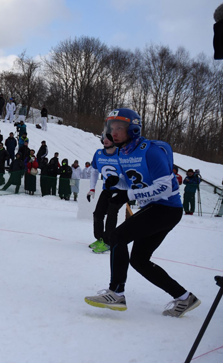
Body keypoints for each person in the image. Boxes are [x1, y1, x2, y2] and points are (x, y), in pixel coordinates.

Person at [85, 108, 200, 317]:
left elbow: (165, 187)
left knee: (117, 236)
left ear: (134, 129)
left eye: (120, 128)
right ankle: (184, 297)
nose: (114, 133)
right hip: (156, 209)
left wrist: (128, 195)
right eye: (112, 128)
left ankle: (116, 292)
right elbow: (133, 180)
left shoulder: (151, 150)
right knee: (139, 260)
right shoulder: (123, 152)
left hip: (166, 209)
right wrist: (116, 182)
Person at [86, 135, 126, 254]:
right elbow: (94, 171)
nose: (105, 140)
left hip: (121, 190)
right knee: (98, 213)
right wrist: (92, 188)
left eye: (109, 138)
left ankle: (109, 241)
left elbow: (127, 172)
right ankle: (100, 238)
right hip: (107, 189)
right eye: (104, 138)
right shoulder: (98, 154)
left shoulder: (122, 154)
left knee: (112, 211)